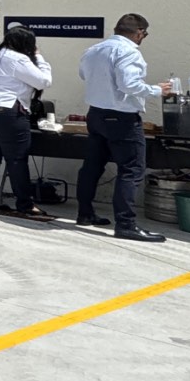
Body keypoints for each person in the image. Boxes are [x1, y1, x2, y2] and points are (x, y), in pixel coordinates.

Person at [76, 13, 173, 241]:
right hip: (122, 117)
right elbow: (129, 84)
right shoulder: (128, 51)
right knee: (131, 169)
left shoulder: (94, 50)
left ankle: (85, 213)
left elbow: (83, 75)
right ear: (139, 33)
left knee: (92, 166)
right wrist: (157, 90)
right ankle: (126, 224)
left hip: (96, 114)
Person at [0, 25, 55, 218]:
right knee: (16, 158)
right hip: (5, 110)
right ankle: (25, 204)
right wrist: (40, 58)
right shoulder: (18, 59)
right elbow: (43, 81)